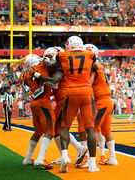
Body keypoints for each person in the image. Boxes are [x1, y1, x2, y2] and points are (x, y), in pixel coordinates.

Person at [41, 36, 99, 173]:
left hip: (71, 92)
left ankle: (65, 155)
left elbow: (51, 65)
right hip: (86, 92)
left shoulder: (62, 55)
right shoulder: (90, 55)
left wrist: (44, 60)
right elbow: (92, 66)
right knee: (90, 128)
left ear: (68, 45)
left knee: (65, 127)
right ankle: (92, 164)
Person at [75, 44, 118, 168]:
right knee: (106, 131)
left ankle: (89, 160)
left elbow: (88, 84)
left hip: (101, 101)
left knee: (92, 130)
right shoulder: (98, 66)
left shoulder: (92, 66)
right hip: (107, 101)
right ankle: (112, 158)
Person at [21, 54, 56, 169]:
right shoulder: (41, 66)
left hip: (33, 102)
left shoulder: (25, 74)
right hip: (43, 102)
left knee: (38, 131)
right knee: (50, 130)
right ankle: (41, 157)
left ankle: (27, 158)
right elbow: (50, 80)